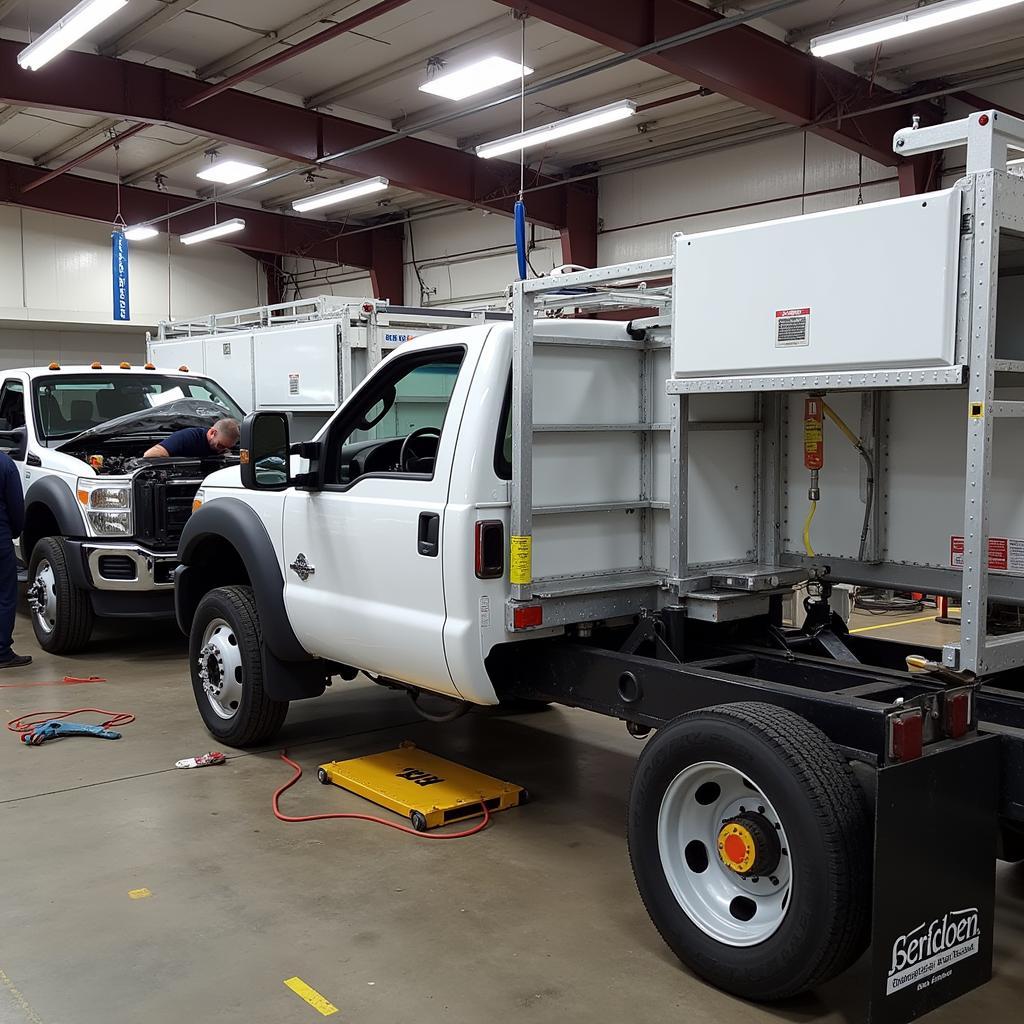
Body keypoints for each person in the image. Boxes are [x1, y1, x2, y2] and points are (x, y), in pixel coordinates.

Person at [0, 449, 30, 669]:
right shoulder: (5, 464)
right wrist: (14, 532)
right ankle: (1, 652)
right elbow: (17, 508)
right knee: (4, 596)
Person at [144, 417, 240, 459]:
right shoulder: (188, 437)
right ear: (212, 432)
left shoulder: (230, 445)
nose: (221, 450)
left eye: (227, 447)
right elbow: (150, 454)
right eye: (220, 445)